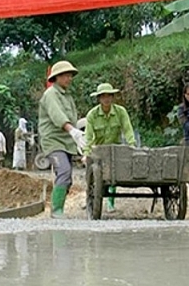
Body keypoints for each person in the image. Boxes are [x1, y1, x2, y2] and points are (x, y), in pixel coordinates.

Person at [38, 60, 86, 219]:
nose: (69, 78)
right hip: (53, 140)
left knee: (67, 178)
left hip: (67, 141)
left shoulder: (68, 96)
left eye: (70, 75)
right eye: (65, 75)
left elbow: (72, 117)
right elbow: (57, 115)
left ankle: (59, 208)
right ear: (57, 77)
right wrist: (72, 130)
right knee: (64, 171)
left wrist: (77, 134)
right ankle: (56, 211)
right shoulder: (50, 94)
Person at [83, 82, 136, 211]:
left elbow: (127, 130)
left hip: (115, 148)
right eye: (103, 96)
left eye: (109, 96)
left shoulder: (120, 112)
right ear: (99, 99)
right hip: (99, 149)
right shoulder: (92, 115)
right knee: (93, 174)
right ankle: (90, 197)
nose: (106, 99)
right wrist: (86, 153)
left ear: (112, 97)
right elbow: (88, 136)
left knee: (114, 173)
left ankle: (110, 202)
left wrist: (132, 145)